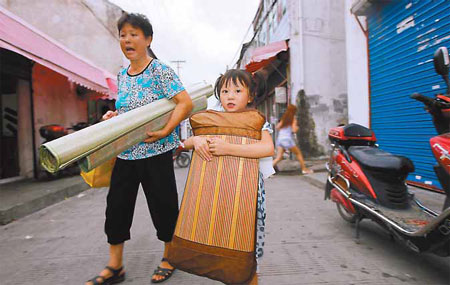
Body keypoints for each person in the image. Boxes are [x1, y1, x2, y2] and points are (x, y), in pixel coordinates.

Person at [86, 13, 193, 284]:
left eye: (134, 34)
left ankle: (170, 257)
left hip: (155, 152)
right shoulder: (122, 75)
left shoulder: (160, 70)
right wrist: (113, 116)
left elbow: (185, 103)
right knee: (117, 208)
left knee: (164, 206)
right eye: (123, 35)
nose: (127, 40)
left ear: (148, 39)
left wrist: (167, 130)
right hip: (126, 153)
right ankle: (115, 267)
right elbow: (127, 111)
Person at [183, 69, 275, 285]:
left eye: (237, 90)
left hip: (248, 195)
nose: (230, 96)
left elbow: (267, 148)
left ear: (250, 96)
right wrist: (194, 142)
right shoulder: (211, 120)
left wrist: (227, 147)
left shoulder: (257, 121)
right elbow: (184, 144)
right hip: (218, 194)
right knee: (225, 250)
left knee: (247, 256)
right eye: (225, 91)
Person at [272, 104, 313, 174]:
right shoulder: (293, 119)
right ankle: (304, 169)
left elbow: (277, 127)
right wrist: (297, 128)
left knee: (279, 157)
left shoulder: (284, 118)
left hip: (280, 139)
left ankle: (266, 171)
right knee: (298, 153)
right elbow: (294, 130)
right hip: (287, 139)